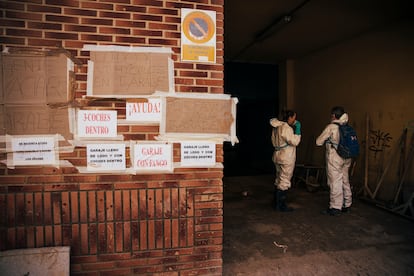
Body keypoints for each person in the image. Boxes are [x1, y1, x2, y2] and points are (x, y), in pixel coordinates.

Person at [316, 106, 353, 216]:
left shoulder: (331, 127)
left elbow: (318, 141)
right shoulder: (346, 126)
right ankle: (347, 204)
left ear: (333, 116)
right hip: (347, 157)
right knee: (345, 179)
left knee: (335, 181)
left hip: (335, 157)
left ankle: (335, 207)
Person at [270, 110, 301, 212]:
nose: (295, 120)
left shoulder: (276, 126)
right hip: (286, 157)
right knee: (284, 181)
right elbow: (295, 142)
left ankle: (275, 202)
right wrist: (298, 130)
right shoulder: (286, 128)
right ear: (289, 118)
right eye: (294, 117)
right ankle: (281, 206)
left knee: (278, 178)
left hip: (277, 155)